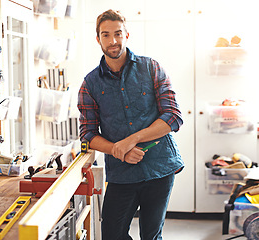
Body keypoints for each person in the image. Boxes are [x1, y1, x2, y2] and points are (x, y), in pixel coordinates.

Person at [77, 9, 184, 240]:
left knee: (151, 236)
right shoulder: (90, 84)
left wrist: (131, 140)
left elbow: (173, 117)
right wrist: (119, 152)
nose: (112, 41)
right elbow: (87, 134)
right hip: (121, 173)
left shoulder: (151, 68)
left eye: (117, 33)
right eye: (106, 35)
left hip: (160, 168)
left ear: (127, 34)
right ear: (98, 39)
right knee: (112, 234)